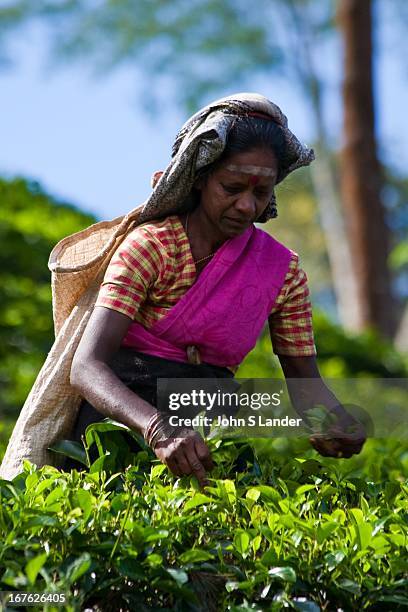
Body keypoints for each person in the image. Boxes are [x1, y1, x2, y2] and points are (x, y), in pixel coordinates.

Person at [66, 93, 366, 488]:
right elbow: (87, 367)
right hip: (121, 430)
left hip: (212, 432)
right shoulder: (151, 248)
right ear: (203, 176)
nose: (246, 206)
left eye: (260, 193)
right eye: (232, 187)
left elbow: (304, 383)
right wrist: (157, 428)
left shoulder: (283, 272)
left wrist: (335, 419)